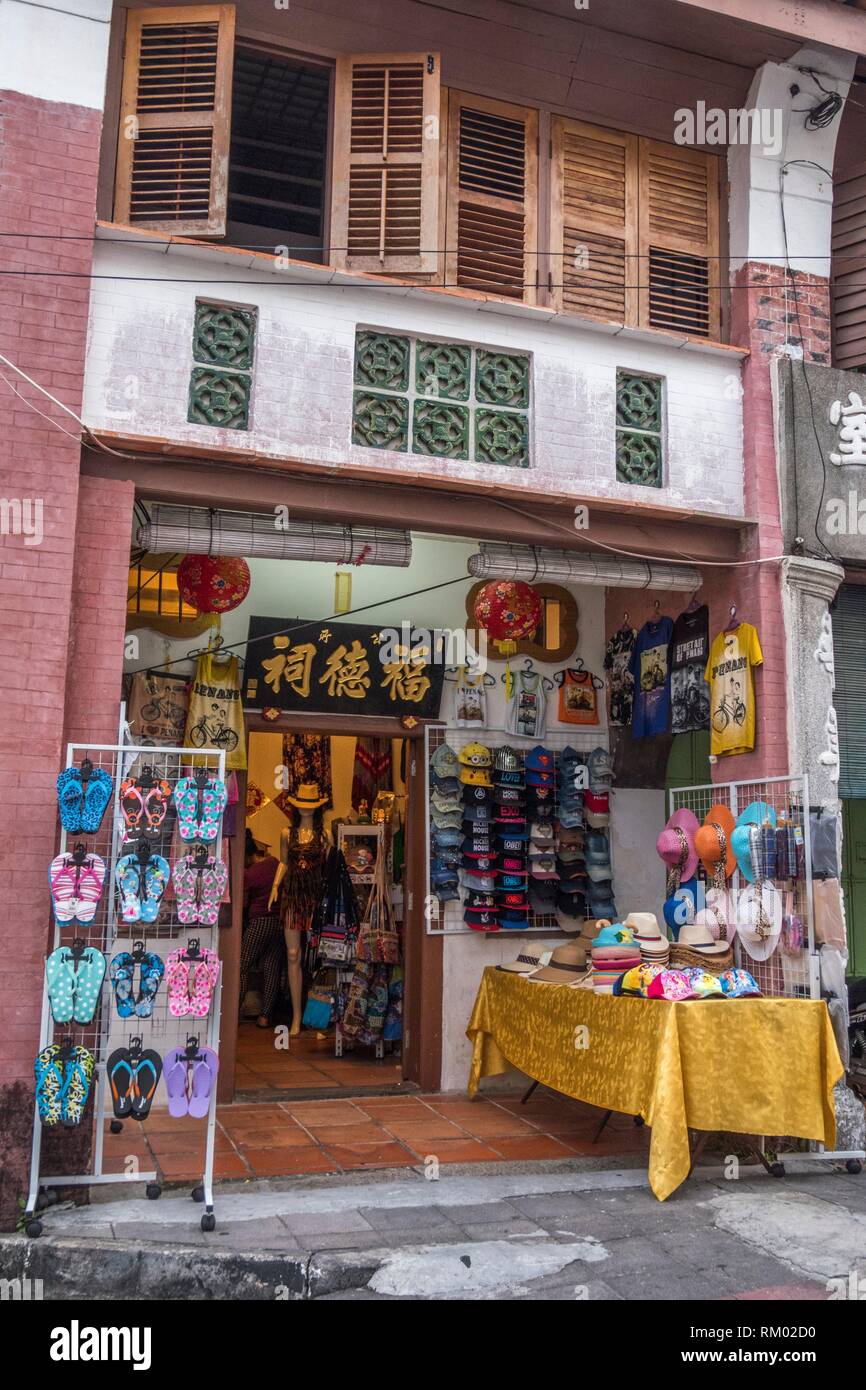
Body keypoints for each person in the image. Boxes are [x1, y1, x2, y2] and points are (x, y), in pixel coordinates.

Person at [240, 829, 282, 1028]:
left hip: (259, 922)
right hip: (279, 922)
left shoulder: (250, 874)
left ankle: (235, 1012)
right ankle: (265, 1016)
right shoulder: (275, 863)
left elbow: (244, 903)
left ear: (249, 856)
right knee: (272, 968)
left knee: (242, 966)